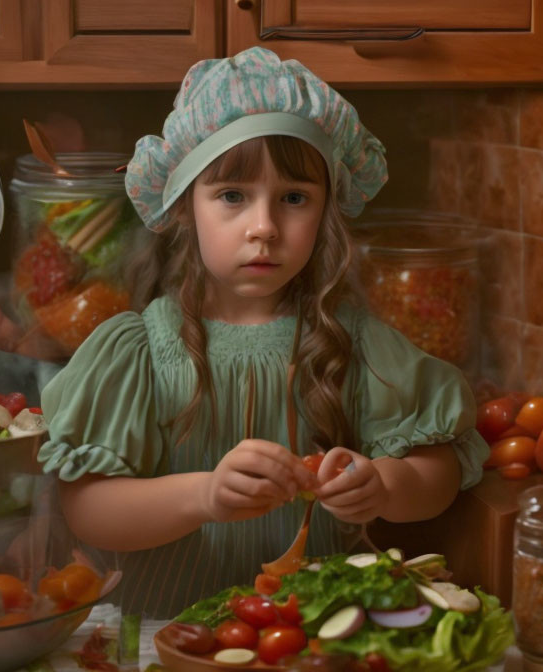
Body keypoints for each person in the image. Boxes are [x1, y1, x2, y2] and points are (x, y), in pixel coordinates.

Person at [35, 47, 489, 618]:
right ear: (182, 207)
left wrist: (386, 487)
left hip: (312, 633)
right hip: (164, 634)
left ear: (326, 212)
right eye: (232, 196)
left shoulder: (356, 345)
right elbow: (90, 509)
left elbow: (438, 471)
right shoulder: (139, 351)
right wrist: (206, 496)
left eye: (294, 199)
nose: (265, 228)